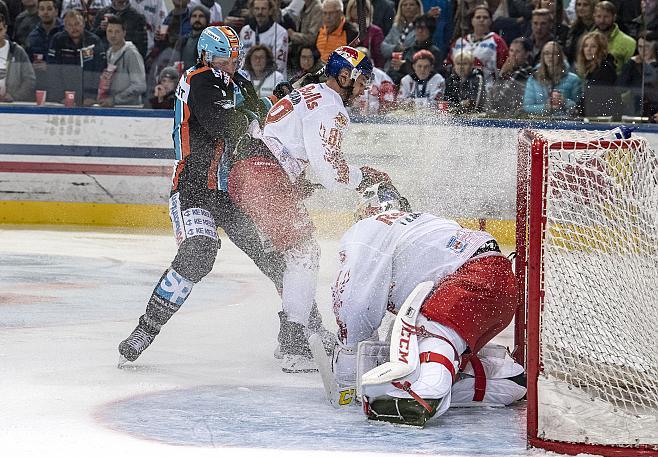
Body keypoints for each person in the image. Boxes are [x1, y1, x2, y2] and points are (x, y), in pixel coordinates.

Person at [117, 26, 290, 366]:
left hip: (230, 191)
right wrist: (260, 110)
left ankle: (299, 330)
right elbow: (223, 124)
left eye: (235, 59)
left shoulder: (237, 83)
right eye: (225, 59)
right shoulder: (198, 80)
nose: (232, 65)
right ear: (207, 56)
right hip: (193, 188)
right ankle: (145, 330)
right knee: (199, 253)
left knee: (274, 255)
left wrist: (276, 100)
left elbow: (259, 118)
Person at [227, 46, 391, 372]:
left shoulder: (309, 92)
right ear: (344, 76)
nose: (365, 87)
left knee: (298, 254)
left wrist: (294, 182)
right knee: (305, 253)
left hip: (249, 170)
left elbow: (290, 144)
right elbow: (330, 170)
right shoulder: (332, 111)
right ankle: (294, 345)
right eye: (361, 79)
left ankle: (294, 335)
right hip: (263, 173)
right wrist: (363, 177)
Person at [330, 182, 524, 426]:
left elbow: (355, 304)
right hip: (498, 284)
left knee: (423, 332)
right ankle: (507, 379)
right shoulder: (419, 223)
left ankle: (423, 394)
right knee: (407, 343)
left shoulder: (367, 229)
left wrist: (349, 363)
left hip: (472, 281)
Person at [47, 9, 106, 105]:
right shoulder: (57, 40)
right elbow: (53, 72)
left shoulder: (94, 41)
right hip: (64, 99)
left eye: (77, 24)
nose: (74, 28)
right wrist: (60, 97)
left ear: (83, 24)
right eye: (70, 25)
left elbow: (100, 71)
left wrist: (92, 97)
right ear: (65, 27)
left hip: (89, 99)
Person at [449, 4, 508, 86]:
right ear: (472, 20)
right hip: (459, 88)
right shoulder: (459, 42)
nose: (481, 20)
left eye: (485, 17)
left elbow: (503, 67)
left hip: (486, 88)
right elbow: (449, 65)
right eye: (478, 17)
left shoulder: (497, 42)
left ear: (491, 20)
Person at [96, 14, 146, 106]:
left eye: (117, 31)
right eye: (110, 31)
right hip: (112, 107)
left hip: (130, 109)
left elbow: (140, 85)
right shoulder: (109, 52)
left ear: (124, 33)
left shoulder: (131, 54)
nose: (113, 35)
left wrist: (115, 100)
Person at [523, 41, 582, 116]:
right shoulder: (533, 79)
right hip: (539, 122)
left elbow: (579, 109)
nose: (550, 56)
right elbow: (527, 107)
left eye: (554, 53)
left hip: (566, 123)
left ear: (560, 56)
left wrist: (564, 102)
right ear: (542, 57)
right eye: (547, 53)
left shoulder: (574, 80)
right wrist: (546, 108)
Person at [386, 14, 442, 85]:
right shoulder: (408, 50)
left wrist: (405, 66)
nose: (419, 31)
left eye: (423, 28)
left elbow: (431, 76)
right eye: (417, 27)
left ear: (430, 31)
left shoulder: (435, 52)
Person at [575, 30, 620, 118]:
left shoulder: (605, 69)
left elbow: (596, 98)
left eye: (593, 46)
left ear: (601, 49)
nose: (588, 49)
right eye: (585, 46)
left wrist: (579, 110)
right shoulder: (593, 70)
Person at [240, 0, 288, 77]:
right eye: (257, 8)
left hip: (274, 80)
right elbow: (241, 61)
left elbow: (279, 64)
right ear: (252, 10)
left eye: (263, 9)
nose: (260, 12)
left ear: (270, 11)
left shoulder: (280, 32)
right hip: (249, 81)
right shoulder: (245, 31)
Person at [488, 36, 534, 116]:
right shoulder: (513, 71)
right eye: (511, 51)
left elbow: (497, 101)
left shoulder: (523, 72)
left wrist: (502, 73)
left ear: (526, 54)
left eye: (517, 51)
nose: (513, 55)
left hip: (514, 117)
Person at [24, 0, 62, 91]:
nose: (45, 12)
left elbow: (71, 63)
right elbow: (26, 61)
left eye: (49, 9)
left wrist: (49, 66)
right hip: (38, 84)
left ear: (56, 11)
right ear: (38, 12)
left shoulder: (65, 33)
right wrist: (31, 66)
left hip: (61, 85)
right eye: (42, 9)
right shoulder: (32, 36)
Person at [618, 36, 658, 119]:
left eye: (647, 46)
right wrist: (630, 64)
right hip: (635, 113)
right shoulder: (632, 65)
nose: (643, 51)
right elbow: (619, 88)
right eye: (640, 47)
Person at [593, 1, 636, 74]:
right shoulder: (587, 40)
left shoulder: (629, 42)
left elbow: (630, 72)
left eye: (606, 17)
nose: (602, 21)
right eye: (599, 16)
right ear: (594, 16)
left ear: (614, 17)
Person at [0, 12, 35, 101]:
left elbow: (29, 80)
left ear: (5, 29)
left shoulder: (17, 51)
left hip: (11, 105)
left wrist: (14, 96)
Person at [381, 0, 423, 67]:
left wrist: (404, 50)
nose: (408, 7)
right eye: (405, 5)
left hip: (410, 68)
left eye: (411, 5)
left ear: (418, 8)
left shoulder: (422, 28)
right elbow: (383, 47)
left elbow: (417, 50)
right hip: (390, 67)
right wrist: (395, 48)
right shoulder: (395, 27)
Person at [345, 0, 384, 68]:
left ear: (368, 11)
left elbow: (378, 57)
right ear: (350, 10)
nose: (358, 10)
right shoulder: (344, 29)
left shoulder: (376, 31)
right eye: (355, 7)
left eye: (362, 7)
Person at [177, 3, 209, 70]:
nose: (197, 19)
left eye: (201, 16)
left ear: (207, 20)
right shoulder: (184, 40)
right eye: (194, 16)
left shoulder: (209, 42)